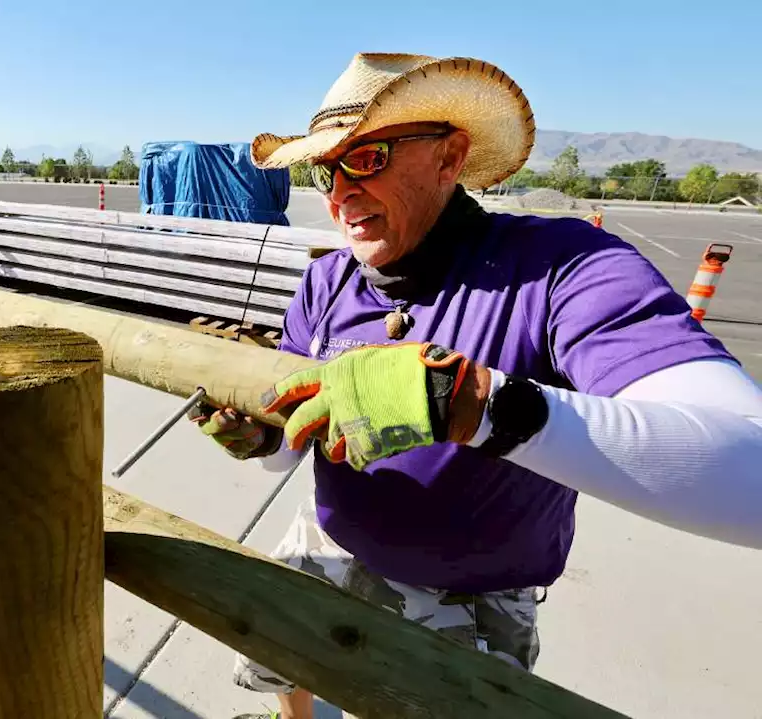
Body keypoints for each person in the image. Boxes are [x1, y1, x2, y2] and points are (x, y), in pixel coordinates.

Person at [191, 53, 762, 719]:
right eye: (325, 169)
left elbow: (747, 464)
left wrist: (468, 402)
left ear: (449, 156)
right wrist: (262, 437)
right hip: (331, 544)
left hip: (473, 593)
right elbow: (291, 448)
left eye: (367, 157)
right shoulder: (326, 283)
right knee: (271, 652)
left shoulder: (559, 269)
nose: (340, 191)